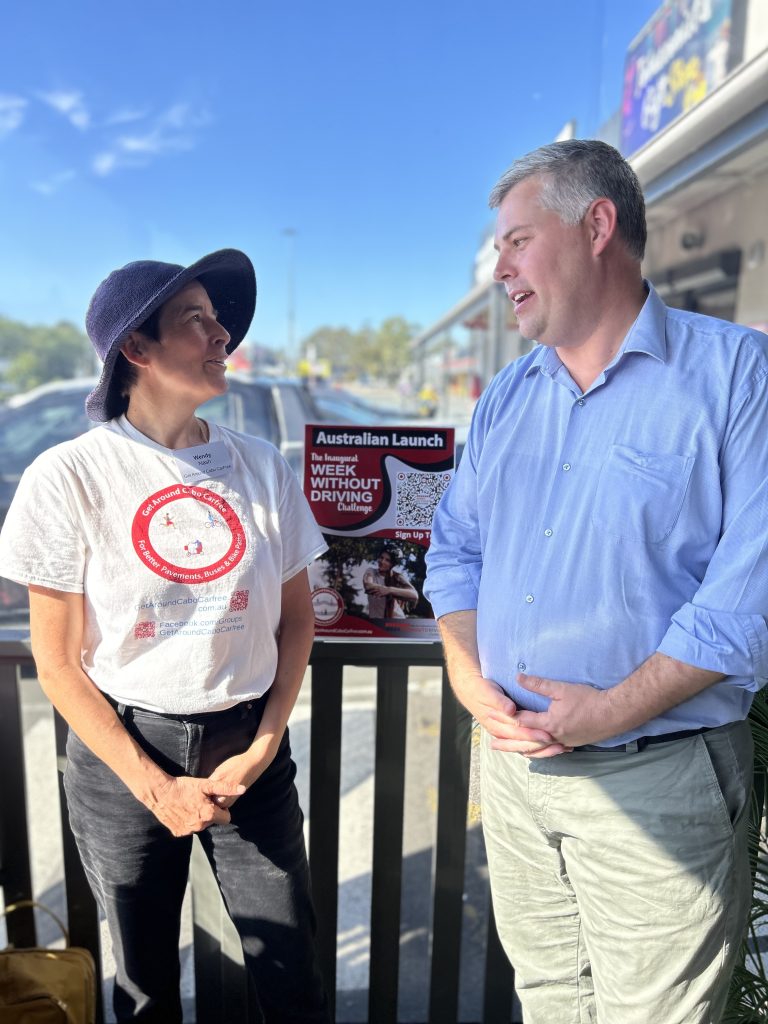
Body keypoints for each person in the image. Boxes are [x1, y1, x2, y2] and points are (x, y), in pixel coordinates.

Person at [424, 140, 768, 1024]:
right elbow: (455, 549)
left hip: (657, 776)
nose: (498, 267)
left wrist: (609, 710)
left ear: (598, 224)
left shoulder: (737, 375)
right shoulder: (506, 397)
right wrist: (467, 673)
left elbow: (750, 593)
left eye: (514, 241)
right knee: (549, 1003)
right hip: (515, 778)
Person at [0, 250, 330, 1023]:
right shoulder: (71, 475)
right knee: (145, 987)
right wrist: (154, 785)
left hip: (251, 749)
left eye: (221, 322)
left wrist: (263, 742)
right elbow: (56, 660)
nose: (223, 337)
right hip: (123, 755)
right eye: (197, 320)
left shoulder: (260, 465)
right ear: (136, 351)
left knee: (291, 976)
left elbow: (298, 619)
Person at [362, 545, 417, 619]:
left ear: (393, 564)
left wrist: (389, 590)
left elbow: (414, 595)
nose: (382, 561)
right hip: (376, 622)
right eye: (381, 558)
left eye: (387, 560)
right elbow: (368, 586)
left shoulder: (397, 577)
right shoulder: (371, 572)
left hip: (396, 622)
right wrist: (384, 589)